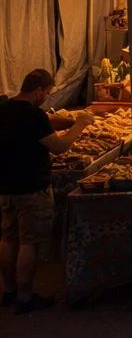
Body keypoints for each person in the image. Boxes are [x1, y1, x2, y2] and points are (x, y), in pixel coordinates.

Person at [0, 69, 92, 314]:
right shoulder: (33, 116)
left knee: (8, 238)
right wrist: (80, 125)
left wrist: (70, 120)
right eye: (48, 93)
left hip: (6, 187)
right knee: (29, 242)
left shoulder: (5, 109)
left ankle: (8, 290)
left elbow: (45, 122)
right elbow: (59, 147)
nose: (48, 98)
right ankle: (25, 296)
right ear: (38, 90)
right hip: (31, 186)